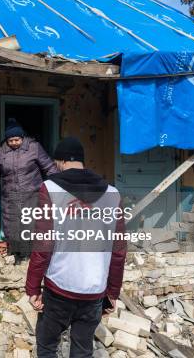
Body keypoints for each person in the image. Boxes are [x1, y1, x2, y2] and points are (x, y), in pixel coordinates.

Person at [25, 137, 127, 358]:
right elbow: (118, 251)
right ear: (82, 161)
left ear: (60, 162)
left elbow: (43, 244)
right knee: (82, 350)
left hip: (59, 288)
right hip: (94, 290)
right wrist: (113, 292)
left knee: (47, 346)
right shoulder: (113, 194)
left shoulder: (50, 189)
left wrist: (32, 287)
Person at [0, 118, 56, 253]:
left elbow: (49, 166)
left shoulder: (34, 147)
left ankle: (32, 254)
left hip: (32, 194)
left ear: (22, 137)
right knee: (12, 225)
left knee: (32, 224)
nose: (14, 143)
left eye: (17, 140)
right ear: (6, 140)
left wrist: (60, 184)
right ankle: (16, 252)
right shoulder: (0, 152)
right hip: (10, 196)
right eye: (10, 141)